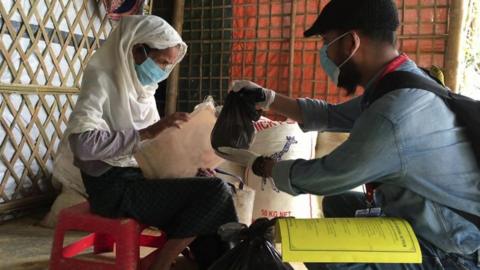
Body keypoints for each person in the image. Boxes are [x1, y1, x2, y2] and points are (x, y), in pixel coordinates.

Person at [220, 0, 480, 269]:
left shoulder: (394, 115)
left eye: (327, 42)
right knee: (339, 204)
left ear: (350, 43)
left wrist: (262, 165)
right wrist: (268, 98)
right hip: (428, 216)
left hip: (453, 249)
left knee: (321, 255)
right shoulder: (400, 82)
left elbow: (329, 176)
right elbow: (332, 116)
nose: (325, 52)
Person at [64, 15, 237, 270]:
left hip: (142, 178)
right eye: (161, 62)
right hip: (113, 188)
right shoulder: (102, 80)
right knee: (214, 193)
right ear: (137, 50)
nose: (163, 71)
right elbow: (81, 144)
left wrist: (191, 166)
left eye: (168, 65)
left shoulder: (143, 91)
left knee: (216, 186)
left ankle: (218, 263)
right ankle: (161, 264)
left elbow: (156, 151)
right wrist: (146, 133)